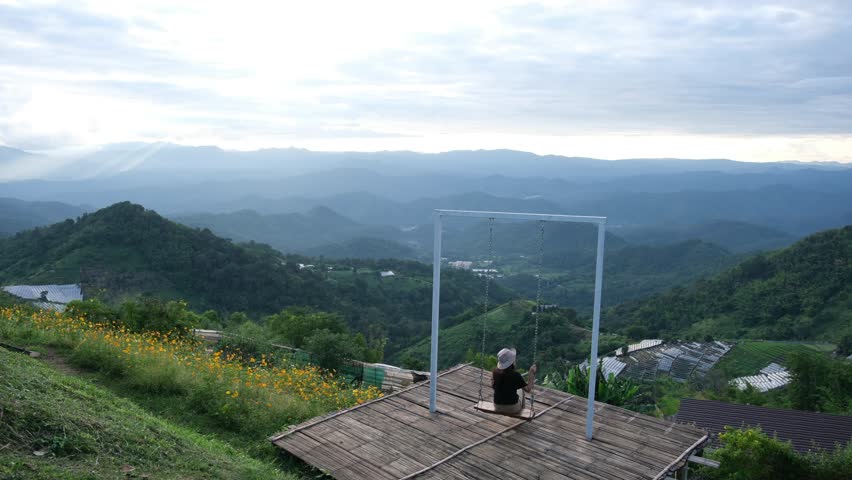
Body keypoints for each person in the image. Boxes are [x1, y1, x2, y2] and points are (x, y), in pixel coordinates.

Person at [491, 347, 537, 414]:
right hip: (512, 408)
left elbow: (493, 386)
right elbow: (528, 389)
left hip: (497, 406)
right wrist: (531, 373)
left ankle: (520, 410)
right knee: (521, 390)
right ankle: (522, 412)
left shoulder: (495, 373)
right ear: (512, 362)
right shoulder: (516, 375)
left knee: (517, 389)